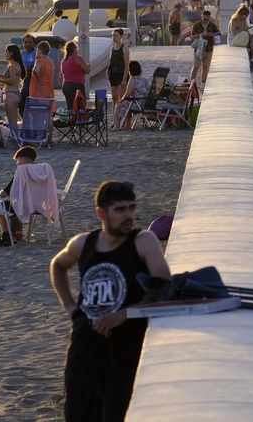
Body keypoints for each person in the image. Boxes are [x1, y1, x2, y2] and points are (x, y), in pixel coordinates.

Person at [51, 180, 171, 422]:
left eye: (131, 208)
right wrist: (71, 307)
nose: (129, 216)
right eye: (120, 210)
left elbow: (164, 289)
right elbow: (57, 265)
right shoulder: (83, 243)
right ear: (101, 214)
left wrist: (123, 314)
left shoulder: (143, 242)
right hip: (83, 351)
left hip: (125, 353)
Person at [0, 44, 26, 130]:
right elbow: (14, 78)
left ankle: (14, 137)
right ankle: (15, 136)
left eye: (6, 52)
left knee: (12, 122)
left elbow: (12, 81)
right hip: (16, 93)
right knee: (14, 121)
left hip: (11, 94)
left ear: (11, 53)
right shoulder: (17, 65)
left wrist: (0, 80)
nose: (5, 54)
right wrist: (3, 76)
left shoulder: (13, 65)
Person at [114, 60, 149, 131]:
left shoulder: (133, 79)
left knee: (119, 105)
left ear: (130, 70)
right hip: (145, 103)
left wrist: (121, 100)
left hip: (137, 103)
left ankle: (116, 126)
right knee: (128, 103)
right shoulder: (144, 80)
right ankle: (127, 125)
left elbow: (127, 94)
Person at [62, 41, 90, 110]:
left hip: (66, 85)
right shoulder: (78, 59)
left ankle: (71, 116)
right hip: (76, 86)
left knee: (70, 108)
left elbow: (63, 72)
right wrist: (88, 66)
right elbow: (87, 70)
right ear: (74, 49)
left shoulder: (64, 60)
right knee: (80, 107)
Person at [106, 29, 130, 97]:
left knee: (121, 97)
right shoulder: (112, 48)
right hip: (113, 74)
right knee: (114, 97)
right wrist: (108, 69)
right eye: (112, 36)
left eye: (115, 35)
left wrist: (124, 78)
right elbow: (111, 60)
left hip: (121, 74)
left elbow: (126, 64)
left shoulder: (124, 49)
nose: (113, 37)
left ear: (121, 36)